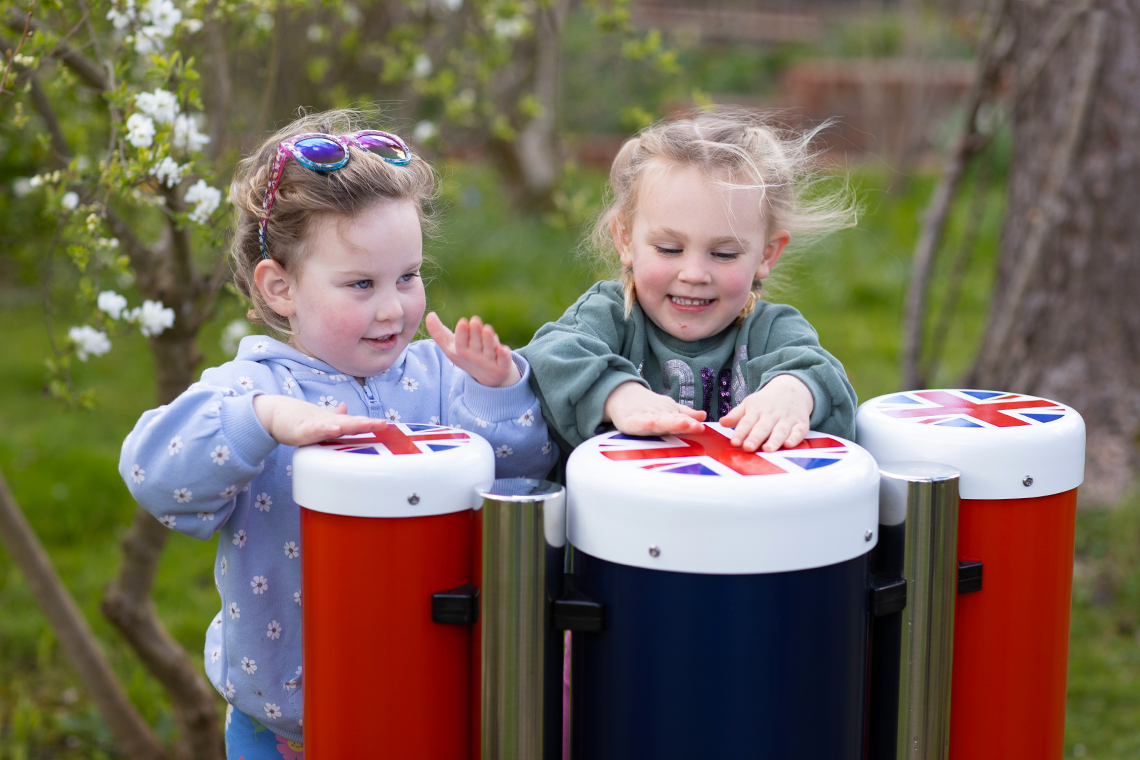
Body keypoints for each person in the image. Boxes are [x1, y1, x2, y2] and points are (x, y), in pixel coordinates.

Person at [118, 110, 557, 758]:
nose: (393, 307)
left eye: (407, 277)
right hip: (288, 723)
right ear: (281, 287)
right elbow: (154, 476)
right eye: (361, 284)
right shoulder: (250, 388)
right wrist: (262, 422)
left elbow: (522, 479)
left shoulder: (439, 375)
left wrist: (498, 393)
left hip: (429, 698)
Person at [519, 108, 859, 458]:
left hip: (737, 506)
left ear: (766, 255)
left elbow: (822, 375)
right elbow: (548, 357)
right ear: (624, 240)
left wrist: (791, 394)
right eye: (669, 249)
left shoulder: (770, 330)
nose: (694, 274)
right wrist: (618, 395)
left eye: (724, 254)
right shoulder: (610, 315)